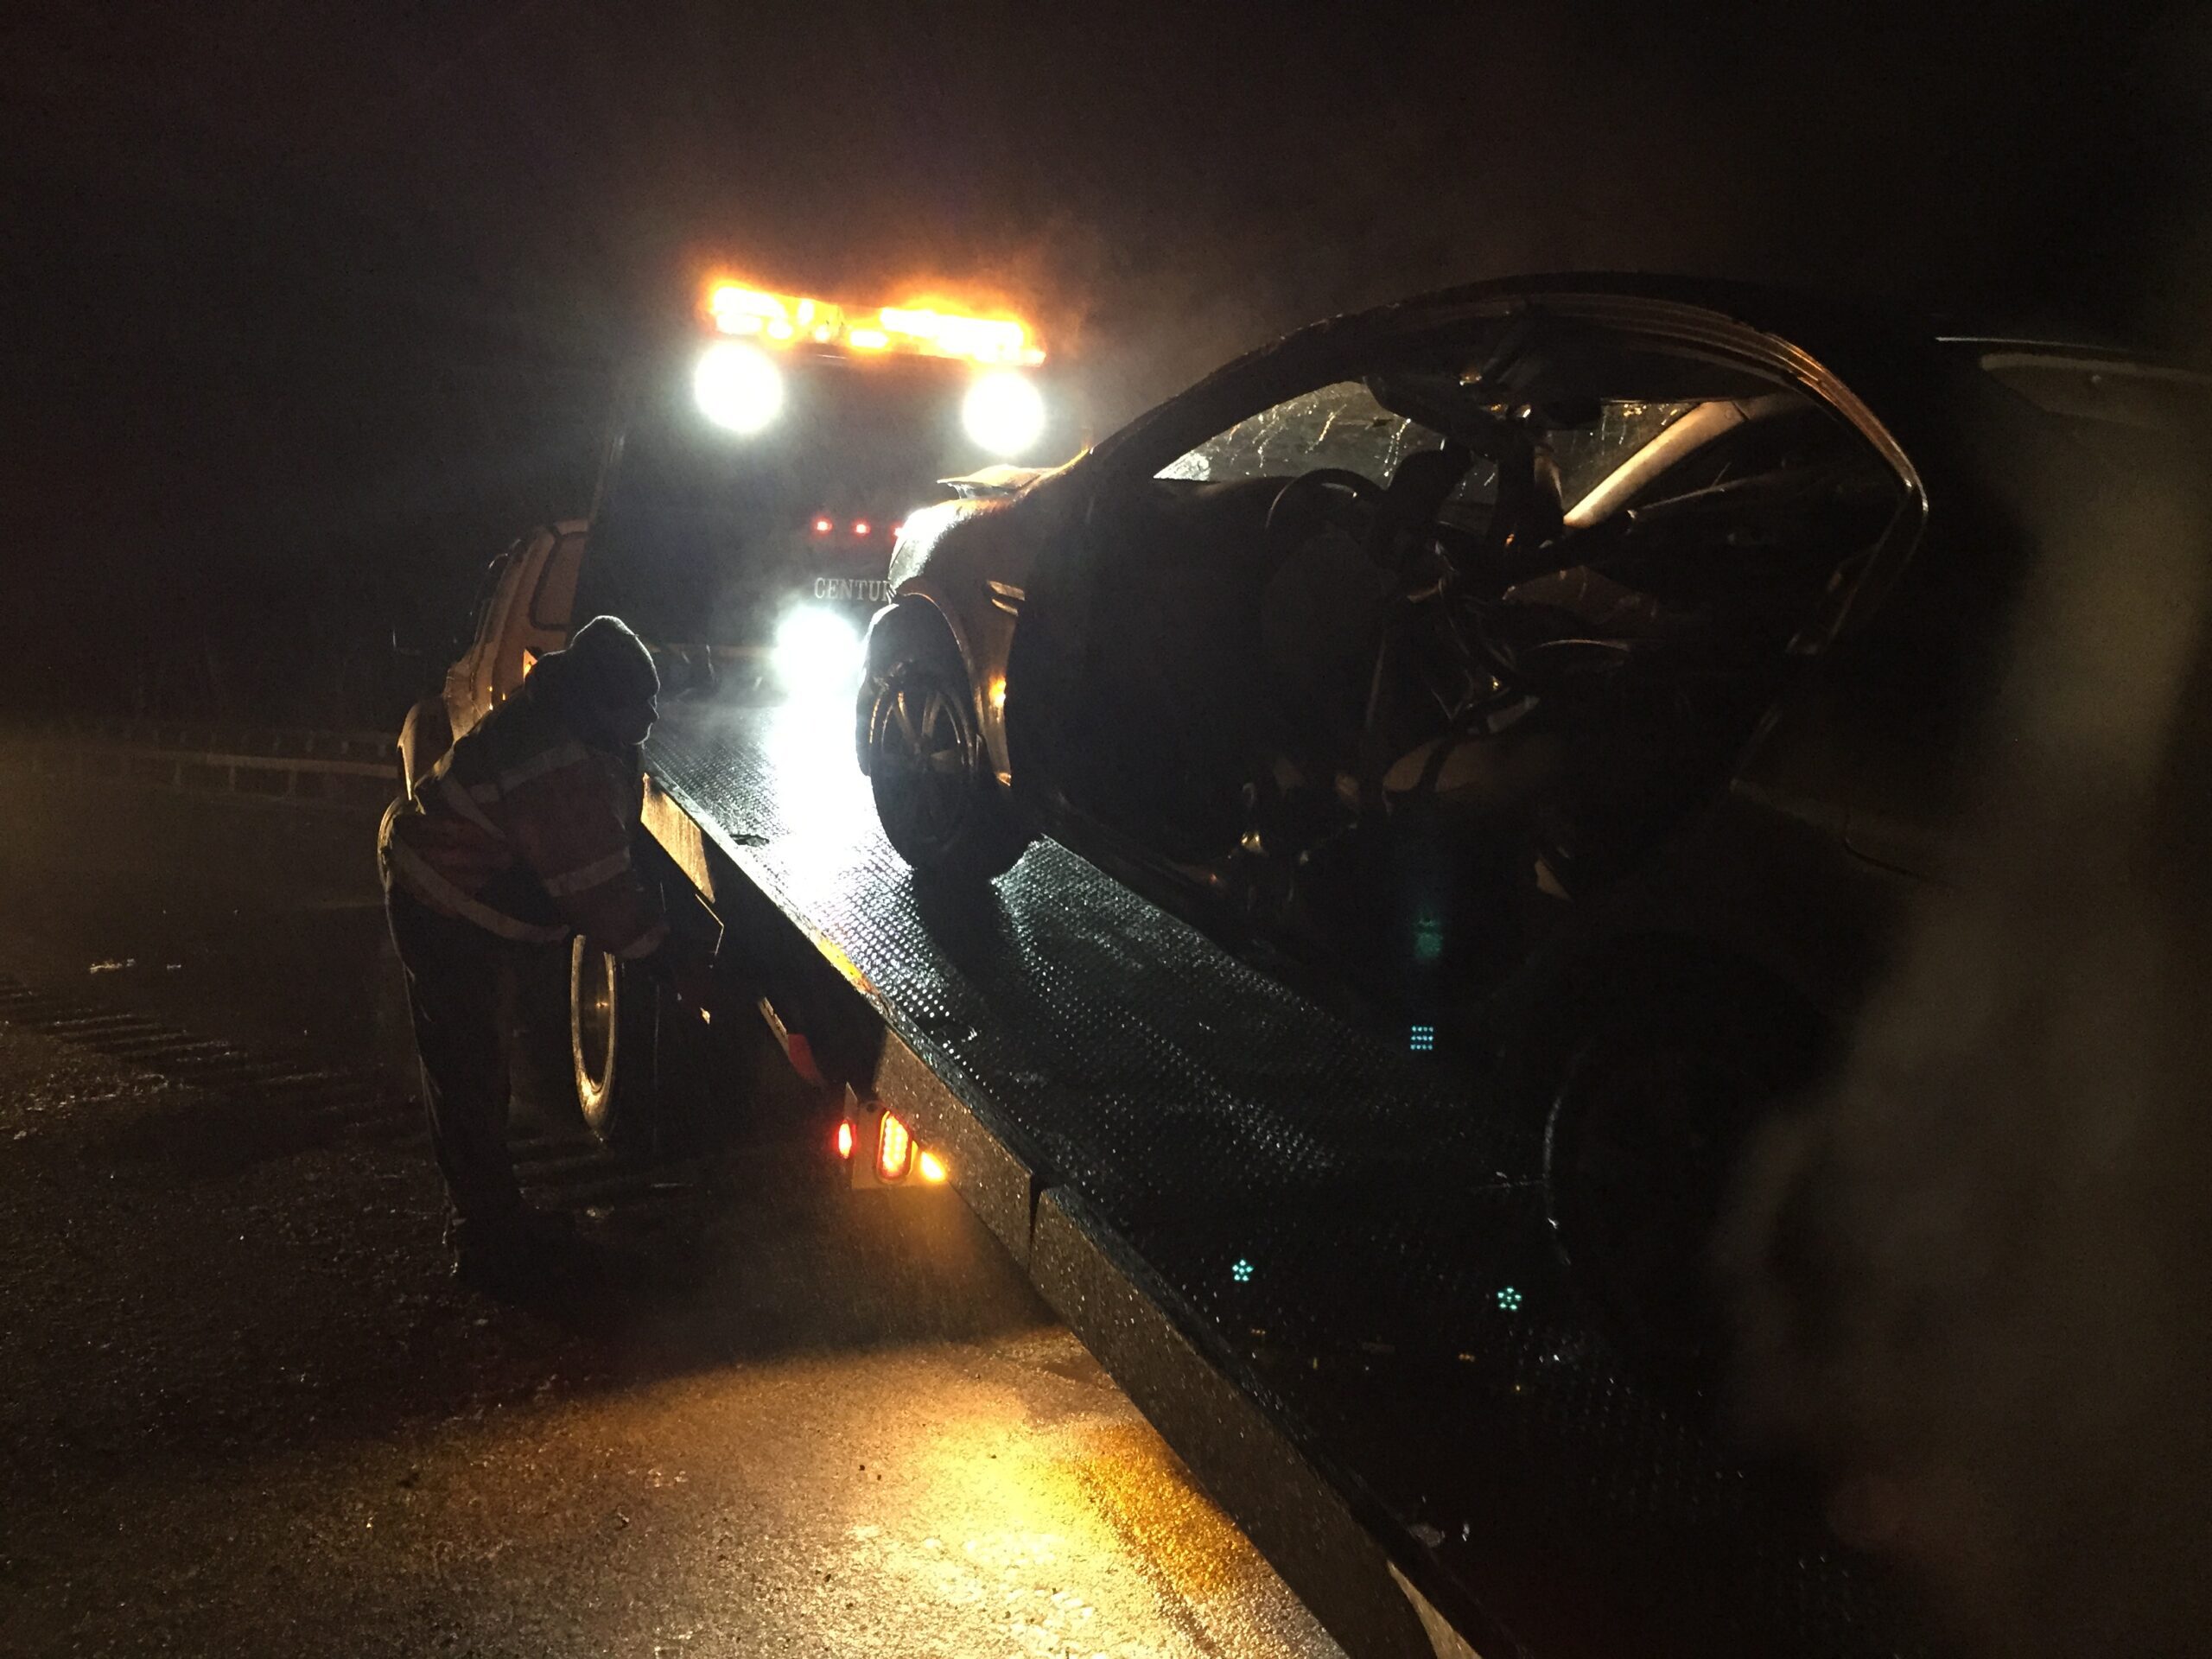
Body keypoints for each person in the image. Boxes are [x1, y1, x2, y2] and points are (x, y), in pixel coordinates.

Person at [378, 614, 702, 1289]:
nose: (649, 715)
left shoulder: (571, 726)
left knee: (478, 1061)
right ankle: (485, 1238)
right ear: (598, 700)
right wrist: (666, 957)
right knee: (468, 1066)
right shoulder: (552, 760)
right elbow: (594, 888)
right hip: (442, 899)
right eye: (635, 704)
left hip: (462, 893)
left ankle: (494, 1216)